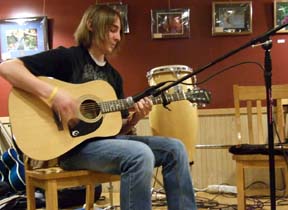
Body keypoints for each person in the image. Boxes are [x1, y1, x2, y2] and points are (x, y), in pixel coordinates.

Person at [0, 4, 197, 210]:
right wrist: (53, 95)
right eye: (112, 29)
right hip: (73, 149)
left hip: (107, 146)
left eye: (119, 31)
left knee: (176, 148)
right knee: (140, 154)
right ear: (92, 25)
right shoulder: (68, 58)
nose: (118, 37)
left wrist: (136, 118)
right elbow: (7, 67)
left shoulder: (114, 77)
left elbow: (115, 130)